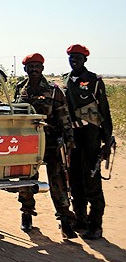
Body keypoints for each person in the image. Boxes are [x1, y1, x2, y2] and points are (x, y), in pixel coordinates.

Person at [14, 53, 77, 238]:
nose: (34, 69)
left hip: (51, 143)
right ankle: (27, 215)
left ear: (42, 68)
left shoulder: (54, 90)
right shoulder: (20, 89)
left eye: (37, 66)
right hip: (28, 144)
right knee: (26, 181)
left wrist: (69, 140)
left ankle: (65, 221)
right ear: (25, 69)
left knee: (58, 183)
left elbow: (64, 116)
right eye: (30, 66)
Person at [64, 44, 113, 240]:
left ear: (85, 60)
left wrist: (107, 142)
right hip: (74, 136)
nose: (74, 60)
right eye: (71, 57)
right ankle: (80, 219)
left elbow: (105, 113)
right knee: (75, 179)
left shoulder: (93, 81)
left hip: (91, 135)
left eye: (78, 57)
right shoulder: (67, 80)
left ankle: (96, 225)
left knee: (91, 179)